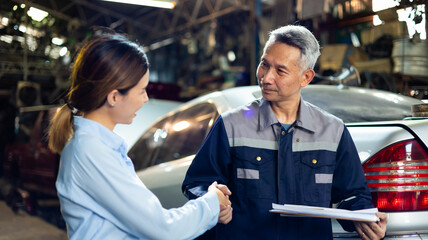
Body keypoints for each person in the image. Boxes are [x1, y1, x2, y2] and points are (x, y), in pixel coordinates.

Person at [182, 25, 387, 240]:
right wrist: (213, 200)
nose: (266, 77)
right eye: (264, 64)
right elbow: (197, 182)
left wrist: (364, 217)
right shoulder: (231, 125)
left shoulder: (333, 131)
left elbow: (353, 195)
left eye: (280, 71)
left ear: (305, 77)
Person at [48, 32, 233, 240]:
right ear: (115, 97)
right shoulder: (92, 151)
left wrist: (210, 204)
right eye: (142, 90)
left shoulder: (96, 147)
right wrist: (211, 202)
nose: (145, 99)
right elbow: (164, 229)